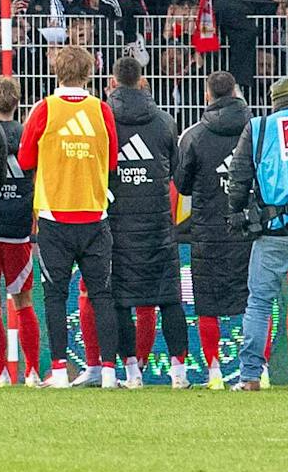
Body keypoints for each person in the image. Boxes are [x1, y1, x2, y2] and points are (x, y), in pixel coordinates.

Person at [17, 44, 121, 390]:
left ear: (56, 72)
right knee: (102, 295)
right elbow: (112, 161)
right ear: (89, 73)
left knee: (55, 296)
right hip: (94, 214)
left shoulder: (44, 109)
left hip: (54, 216)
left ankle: (60, 371)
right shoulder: (101, 110)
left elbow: (25, 159)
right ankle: (109, 371)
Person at [103, 54, 188, 390]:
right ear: (142, 82)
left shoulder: (104, 120)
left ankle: (132, 373)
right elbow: (177, 172)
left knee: (120, 300)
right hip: (158, 226)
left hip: (117, 224)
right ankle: (179, 373)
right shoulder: (165, 121)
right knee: (168, 298)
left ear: (112, 83)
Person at [174, 70, 255, 389]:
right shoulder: (257, 130)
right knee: (255, 302)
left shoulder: (194, 135)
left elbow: (182, 185)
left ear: (208, 96)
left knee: (207, 304)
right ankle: (258, 370)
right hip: (249, 227)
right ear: (236, 92)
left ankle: (214, 372)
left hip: (207, 230)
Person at [226, 73, 288, 392]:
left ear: (275, 103)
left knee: (259, 303)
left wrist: (236, 211)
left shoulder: (259, 128)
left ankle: (250, 377)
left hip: (273, 230)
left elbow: (239, 174)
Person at [0, 75, 40, 387]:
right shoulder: (27, 134)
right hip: (19, 229)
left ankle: (0, 373)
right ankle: (32, 372)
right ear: (17, 102)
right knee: (24, 301)